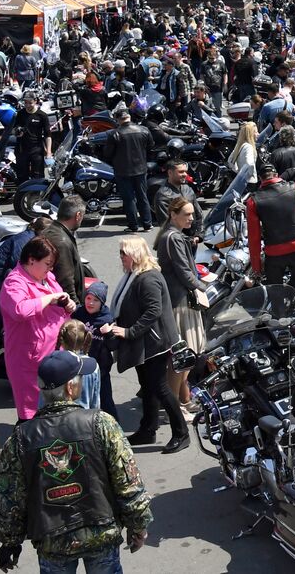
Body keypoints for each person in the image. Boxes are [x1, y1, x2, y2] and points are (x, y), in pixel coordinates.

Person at [0, 350, 152, 574]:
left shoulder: (22, 436)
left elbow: (10, 496)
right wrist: (138, 525)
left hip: (52, 540)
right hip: (101, 534)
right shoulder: (101, 423)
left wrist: (10, 540)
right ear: (70, 388)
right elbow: (128, 482)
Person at [105, 236, 189, 453]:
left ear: (134, 255)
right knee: (148, 385)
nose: (120, 258)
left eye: (123, 253)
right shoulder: (136, 275)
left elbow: (153, 311)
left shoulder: (148, 278)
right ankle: (148, 429)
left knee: (160, 387)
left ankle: (181, 433)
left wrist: (129, 331)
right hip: (148, 342)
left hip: (155, 343)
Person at [0, 237, 75, 421]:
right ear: (32, 259)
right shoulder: (14, 283)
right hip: (30, 360)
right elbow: (20, 310)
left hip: (54, 354)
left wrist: (68, 305)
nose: (50, 269)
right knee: (32, 414)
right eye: (47, 264)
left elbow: (57, 301)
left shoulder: (46, 277)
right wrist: (49, 299)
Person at [155, 195, 209, 412]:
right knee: (182, 359)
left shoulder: (170, 235)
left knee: (182, 359)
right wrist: (204, 287)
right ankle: (175, 406)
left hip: (176, 299)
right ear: (173, 215)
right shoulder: (174, 238)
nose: (192, 218)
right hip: (180, 302)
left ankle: (183, 400)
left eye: (192, 214)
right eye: (187, 214)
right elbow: (185, 273)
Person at [246, 161, 295, 307]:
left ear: (260, 178)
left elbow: (253, 238)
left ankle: (279, 324)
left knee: (275, 294)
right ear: (277, 175)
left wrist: (256, 267)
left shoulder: (253, 201)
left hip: (274, 253)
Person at [72, 280, 118, 420]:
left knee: (106, 401)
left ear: (102, 302)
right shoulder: (78, 313)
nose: (90, 303)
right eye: (88, 298)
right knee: (81, 402)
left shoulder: (107, 318)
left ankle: (115, 429)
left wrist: (109, 334)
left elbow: (114, 346)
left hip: (100, 370)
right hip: (80, 368)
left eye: (95, 300)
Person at [110, 108, 153, 232]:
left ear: (118, 119)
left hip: (123, 170)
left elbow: (108, 153)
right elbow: (150, 146)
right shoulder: (144, 130)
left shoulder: (114, 134)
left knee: (129, 199)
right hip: (140, 168)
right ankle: (147, 224)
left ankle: (133, 225)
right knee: (142, 196)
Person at [43, 197, 86, 303]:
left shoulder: (49, 231)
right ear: (78, 215)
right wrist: (74, 306)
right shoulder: (62, 242)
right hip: (62, 307)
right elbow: (65, 280)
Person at [11, 91, 53, 185]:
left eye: (30, 102)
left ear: (35, 101)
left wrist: (49, 152)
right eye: (25, 103)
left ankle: (36, 196)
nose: (27, 105)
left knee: (38, 176)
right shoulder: (20, 114)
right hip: (22, 149)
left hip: (36, 149)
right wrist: (17, 133)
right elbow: (13, 130)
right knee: (22, 176)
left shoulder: (42, 115)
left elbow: (48, 135)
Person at [152, 160, 202, 233]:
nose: (185, 174)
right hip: (176, 240)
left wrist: (198, 234)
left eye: (185, 171)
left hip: (193, 238)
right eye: (181, 171)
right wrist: (185, 239)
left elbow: (199, 214)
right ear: (170, 173)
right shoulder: (163, 195)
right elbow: (166, 224)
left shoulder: (188, 189)